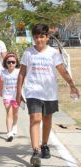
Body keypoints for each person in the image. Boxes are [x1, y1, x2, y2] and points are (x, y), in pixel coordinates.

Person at [16, 23, 80, 167]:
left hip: (50, 92)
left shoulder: (53, 53)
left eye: (42, 37)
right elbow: (22, 73)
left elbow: (62, 70)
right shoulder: (28, 52)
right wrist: (18, 92)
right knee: (35, 118)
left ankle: (44, 144)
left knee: (47, 119)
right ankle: (35, 151)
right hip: (33, 91)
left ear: (47, 37)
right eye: (37, 37)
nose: (39, 40)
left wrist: (72, 85)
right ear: (33, 38)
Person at [1, 53, 20, 142]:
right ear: (6, 63)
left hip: (16, 96)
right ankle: (9, 133)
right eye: (9, 62)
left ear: (16, 63)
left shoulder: (18, 72)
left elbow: (22, 84)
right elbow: (2, 83)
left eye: (13, 62)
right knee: (9, 113)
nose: (11, 64)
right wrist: (1, 93)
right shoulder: (3, 72)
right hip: (7, 96)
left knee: (15, 113)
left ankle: (15, 125)